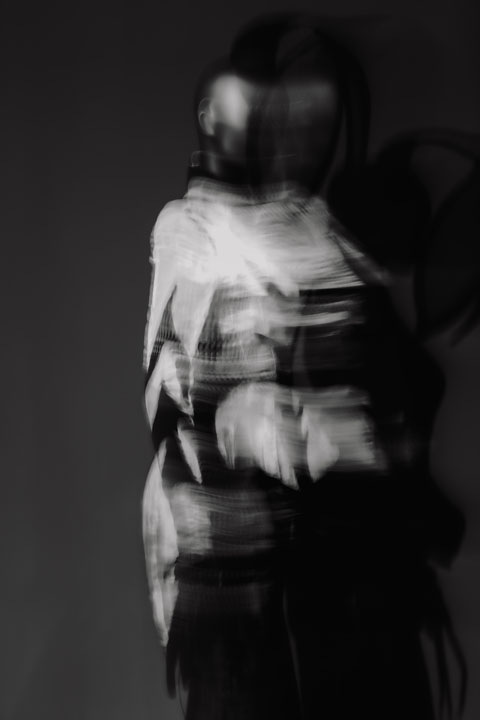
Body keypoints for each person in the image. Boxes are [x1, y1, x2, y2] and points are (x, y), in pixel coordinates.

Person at [142, 24, 459, 719]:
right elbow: (194, 404)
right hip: (240, 602)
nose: (292, 135)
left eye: (314, 118)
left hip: (346, 603)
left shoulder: (326, 238)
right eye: (275, 112)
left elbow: (387, 390)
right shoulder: (196, 232)